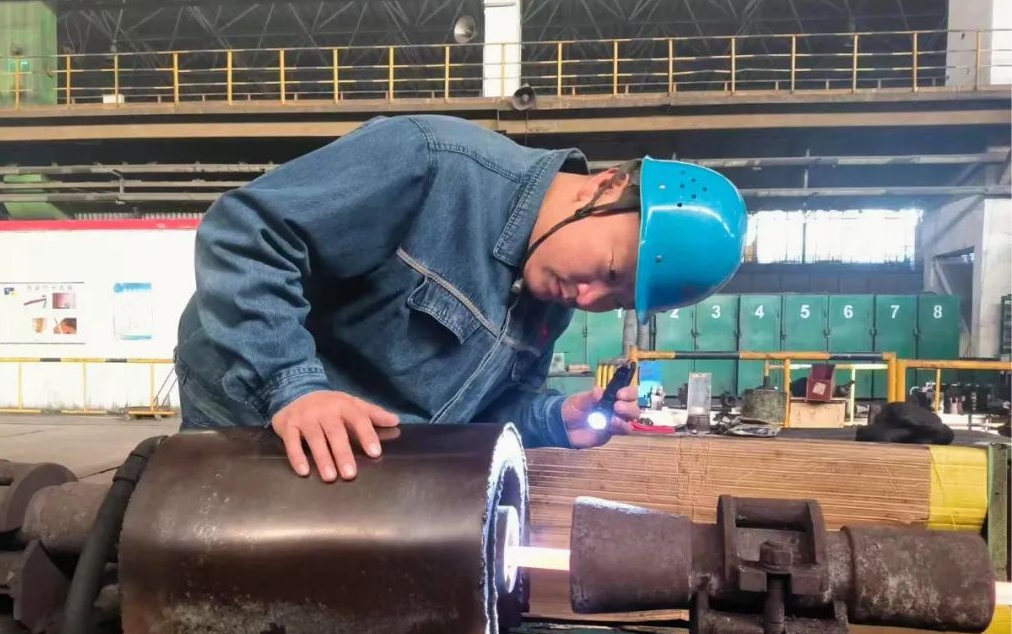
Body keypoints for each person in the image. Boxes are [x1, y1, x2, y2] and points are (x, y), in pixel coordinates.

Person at [175, 114, 746, 481]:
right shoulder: (431, 163)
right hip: (252, 426)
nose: (590, 295)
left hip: (365, 471)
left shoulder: (550, 293)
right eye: (611, 269)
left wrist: (554, 418)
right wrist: (293, 387)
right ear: (606, 186)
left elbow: (487, 410)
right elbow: (246, 233)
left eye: (616, 300)